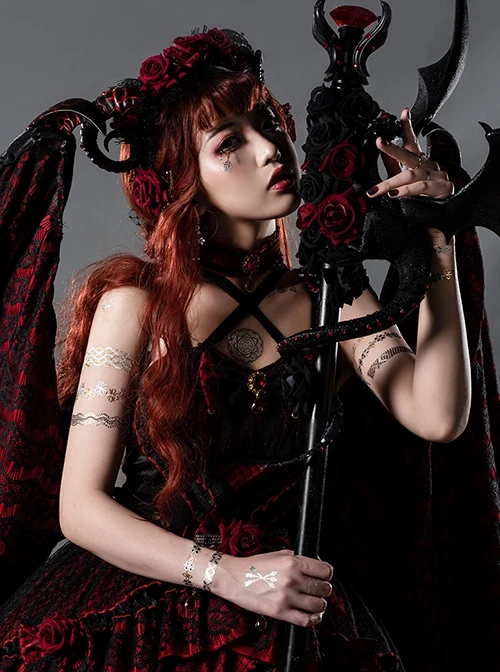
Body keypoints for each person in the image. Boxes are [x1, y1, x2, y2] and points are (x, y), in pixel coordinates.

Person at [0, 26, 476, 671]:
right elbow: (80, 508)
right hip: (145, 604)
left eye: (270, 124)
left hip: (293, 608)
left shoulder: (331, 297)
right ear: (184, 180)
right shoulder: (136, 305)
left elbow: (439, 416)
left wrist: (439, 237)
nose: (271, 148)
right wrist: (225, 574)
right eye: (229, 144)